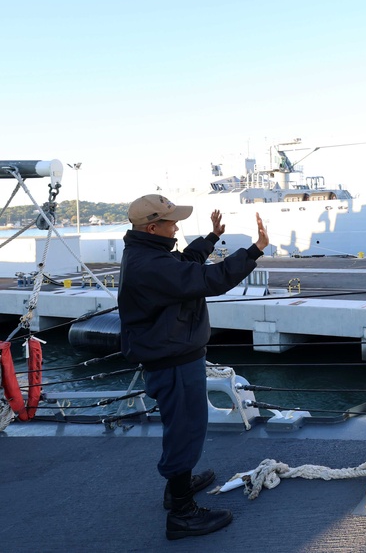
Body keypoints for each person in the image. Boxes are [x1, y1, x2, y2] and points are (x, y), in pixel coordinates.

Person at [118, 194, 269, 541]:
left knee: (181, 426)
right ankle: (182, 514)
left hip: (169, 354)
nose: (177, 226)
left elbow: (185, 263)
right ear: (153, 227)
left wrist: (212, 238)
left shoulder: (146, 253)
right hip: (173, 359)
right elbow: (209, 280)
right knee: (185, 430)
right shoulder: (152, 265)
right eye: (172, 222)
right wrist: (255, 249)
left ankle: (178, 487)